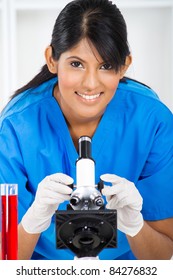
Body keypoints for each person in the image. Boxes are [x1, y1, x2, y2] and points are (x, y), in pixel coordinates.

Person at [0, 0, 173, 260]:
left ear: (124, 65)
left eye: (105, 66)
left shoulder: (152, 120)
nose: (90, 83)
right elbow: (5, 257)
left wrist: (135, 226)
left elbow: (163, 253)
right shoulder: (16, 127)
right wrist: (33, 221)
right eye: (76, 64)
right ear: (52, 59)